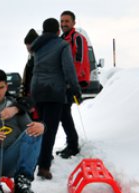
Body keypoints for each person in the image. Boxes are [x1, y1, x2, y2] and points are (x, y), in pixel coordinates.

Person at [30, 18, 81, 180]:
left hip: (37, 90)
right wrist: (75, 89)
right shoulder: (62, 45)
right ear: (57, 31)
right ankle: (44, 167)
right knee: (49, 130)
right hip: (54, 91)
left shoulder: (36, 46)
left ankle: (36, 161)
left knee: (39, 127)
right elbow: (68, 69)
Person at [56, 10, 90, 159]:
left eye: (66, 21)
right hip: (63, 83)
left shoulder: (78, 38)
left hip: (72, 83)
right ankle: (71, 143)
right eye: (62, 21)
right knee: (64, 114)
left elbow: (79, 61)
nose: (64, 24)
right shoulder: (62, 39)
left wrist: (71, 82)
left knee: (64, 113)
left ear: (73, 23)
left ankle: (73, 145)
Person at [21, 28, 40, 121]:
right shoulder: (31, 59)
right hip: (30, 96)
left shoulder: (38, 59)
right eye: (27, 44)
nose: (28, 47)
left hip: (36, 98)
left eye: (29, 44)